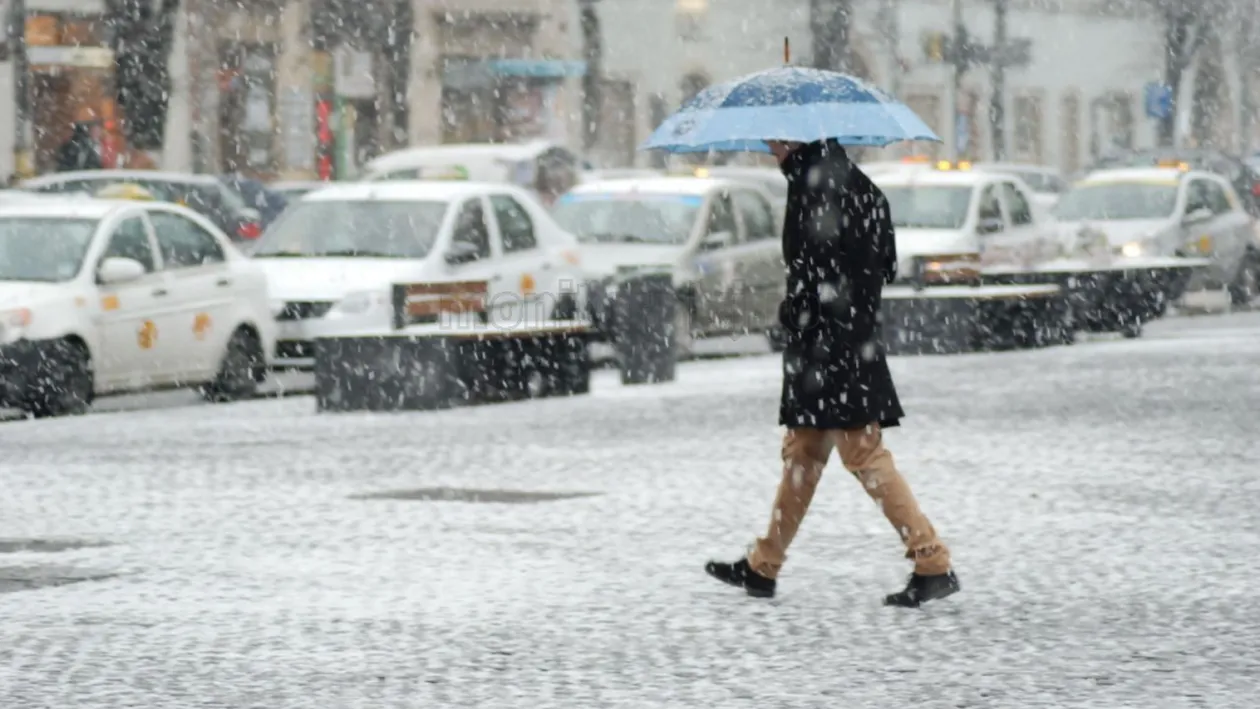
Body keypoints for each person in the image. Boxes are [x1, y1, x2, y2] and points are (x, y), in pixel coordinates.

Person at [704, 138, 960, 608]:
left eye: (774, 141)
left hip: (830, 345)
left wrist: (797, 310)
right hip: (842, 340)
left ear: (796, 139)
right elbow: (880, 264)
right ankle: (764, 565)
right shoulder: (857, 185)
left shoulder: (816, 189)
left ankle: (932, 561)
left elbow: (816, 271)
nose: (769, 148)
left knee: (863, 453)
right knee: (803, 454)